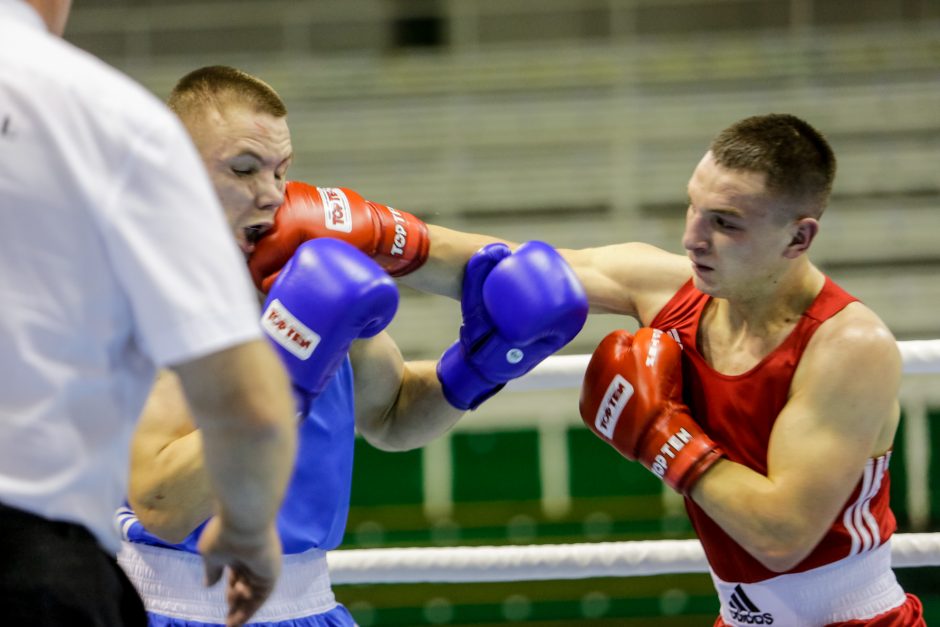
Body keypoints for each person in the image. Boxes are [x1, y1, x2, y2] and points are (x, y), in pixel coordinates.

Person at [400, 114, 924, 625]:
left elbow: (780, 535)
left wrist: (661, 437)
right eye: (693, 207)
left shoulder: (848, 344)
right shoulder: (668, 289)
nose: (693, 237)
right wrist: (369, 235)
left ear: (798, 239)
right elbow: (502, 267)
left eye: (725, 223)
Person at [114, 65, 589, 627]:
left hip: (308, 604)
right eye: (244, 170)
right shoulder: (142, 296)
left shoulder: (307, 278)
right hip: (169, 606)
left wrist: (480, 365)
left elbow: (392, 416)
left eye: (280, 171)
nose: (270, 194)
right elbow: (162, 507)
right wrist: (280, 387)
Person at [0, 4, 298, 627]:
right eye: (245, 168)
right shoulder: (108, 119)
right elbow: (248, 403)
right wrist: (247, 525)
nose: (269, 191)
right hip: (30, 554)